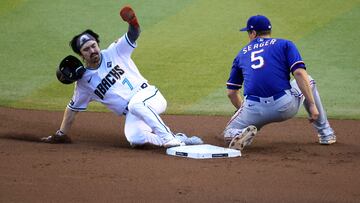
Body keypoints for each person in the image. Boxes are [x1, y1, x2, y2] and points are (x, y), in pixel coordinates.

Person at [41, 5, 203, 148]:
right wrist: (61, 134)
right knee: (135, 138)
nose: (92, 51)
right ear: (81, 55)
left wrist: (133, 22)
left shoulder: (115, 51)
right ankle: (178, 139)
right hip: (134, 112)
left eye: (93, 46)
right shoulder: (84, 83)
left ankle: (169, 138)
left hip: (149, 96)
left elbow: (133, 34)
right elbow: (72, 110)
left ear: (98, 44)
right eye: (86, 49)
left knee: (135, 105)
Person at [223, 15, 336, 150]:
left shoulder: (241, 54)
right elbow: (299, 73)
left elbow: (231, 92)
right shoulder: (285, 44)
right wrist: (311, 105)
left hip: (253, 109)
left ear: (253, 33)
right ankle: (326, 134)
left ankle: (240, 132)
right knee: (309, 80)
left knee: (228, 131)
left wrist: (246, 112)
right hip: (284, 107)